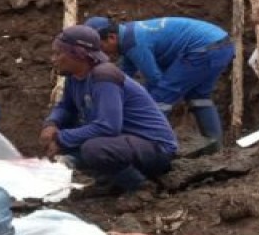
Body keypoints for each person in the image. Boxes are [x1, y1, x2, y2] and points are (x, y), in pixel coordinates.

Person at [40, 25, 177, 194]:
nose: (54, 59)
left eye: (58, 53)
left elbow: (108, 126)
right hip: (126, 143)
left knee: (93, 148)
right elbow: (66, 107)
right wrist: (52, 123)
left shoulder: (104, 77)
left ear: (79, 54)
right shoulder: (74, 77)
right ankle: (111, 180)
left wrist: (61, 138)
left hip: (156, 148)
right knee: (73, 132)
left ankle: (141, 187)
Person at [83, 16, 233, 151]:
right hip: (222, 45)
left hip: (202, 49)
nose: (104, 54)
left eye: (102, 48)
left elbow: (155, 78)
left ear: (111, 37)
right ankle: (215, 147)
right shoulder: (128, 34)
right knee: (199, 97)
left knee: (160, 97)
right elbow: (124, 75)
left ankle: (157, 148)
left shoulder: (134, 44)